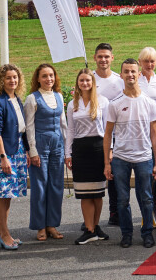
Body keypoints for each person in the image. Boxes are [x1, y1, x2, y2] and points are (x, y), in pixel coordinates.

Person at [104, 58, 156, 248]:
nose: (130, 74)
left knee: (146, 198)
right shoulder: (114, 104)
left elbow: (155, 136)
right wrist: (107, 162)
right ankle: (126, 234)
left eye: (133, 71)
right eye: (126, 71)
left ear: (139, 74)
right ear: (121, 75)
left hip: (144, 157)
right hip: (120, 158)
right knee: (122, 200)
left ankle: (147, 233)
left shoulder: (150, 103)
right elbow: (108, 135)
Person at [65, 69, 110, 245]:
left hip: (98, 148)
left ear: (93, 82)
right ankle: (89, 229)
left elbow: (108, 130)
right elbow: (70, 130)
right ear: (78, 83)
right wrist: (68, 153)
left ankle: (96, 227)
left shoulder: (103, 102)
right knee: (85, 193)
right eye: (81, 80)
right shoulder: (72, 104)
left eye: (88, 80)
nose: (85, 83)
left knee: (97, 193)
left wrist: (110, 151)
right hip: (80, 150)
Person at [25, 63, 67, 241]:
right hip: (40, 144)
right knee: (40, 186)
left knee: (56, 185)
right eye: (44, 76)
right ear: (38, 79)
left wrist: (67, 150)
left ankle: (52, 224)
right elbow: (29, 126)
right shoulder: (32, 98)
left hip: (57, 144)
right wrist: (32, 150)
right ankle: (40, 226)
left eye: (51, 75)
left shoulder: (58, 96)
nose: (48, 79)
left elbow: (63, 124)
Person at [0, 64, 29, 250]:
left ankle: (1, 232)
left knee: (9, 195)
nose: (13, 80)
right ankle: (4, 234)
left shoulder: (17, 100)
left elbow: (22, 130)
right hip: (3, 153)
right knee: (2, 194)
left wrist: (26, 151)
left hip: (18, 151)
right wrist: (3, 157)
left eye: (15, 77)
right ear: (1, 81)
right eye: (8, 78)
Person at [92, 42, 124, 226]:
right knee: (95, 176)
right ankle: (91, 217)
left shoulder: (119, 80)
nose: (103, 60)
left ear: (112, 58)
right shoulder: (90, 79)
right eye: (100, 56)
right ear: (95, 58)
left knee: (114, 175)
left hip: (117, 133)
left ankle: (115, 211)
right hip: (96, 134)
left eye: (107, 56)